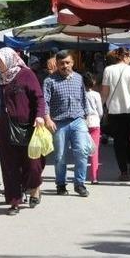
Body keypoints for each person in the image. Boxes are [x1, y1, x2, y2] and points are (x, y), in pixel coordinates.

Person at [0, 48, 46, 215]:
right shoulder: (1, 78)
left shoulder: (26, 74)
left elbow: (39, 97)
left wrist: (39, 116)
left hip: (28, 127)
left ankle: (35, 186)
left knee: (33, 164)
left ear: (9, 59)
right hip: (6, 128)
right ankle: (14, 201)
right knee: (10, 165)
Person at [43, 50, 91, 197]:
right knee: (60, 157)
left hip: (78, 120)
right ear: (57, 64)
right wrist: (47, 118)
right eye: (61, 63)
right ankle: (61, 184)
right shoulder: (49, 81)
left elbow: (83, 98)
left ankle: (79, 184)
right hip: (59, 123)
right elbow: (44, 101)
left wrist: (86, 116)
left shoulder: (78, 78)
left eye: (67, 62)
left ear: (72, 63)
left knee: (82, 151)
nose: (65, 66)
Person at [101, 47, 130, 181]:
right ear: (124, 56)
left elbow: (105, 92)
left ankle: (124, 171)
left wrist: (100, 109)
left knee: (119, 142)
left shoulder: (108, 70)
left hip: (115, 111)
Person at [84, 72, 103, 185]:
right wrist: (99, 118)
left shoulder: (81, 94)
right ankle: (94, 177)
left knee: (82, 150)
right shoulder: (96, 94)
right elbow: (100, 111)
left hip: (83, 121)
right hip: (95, 121)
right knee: (94, 151)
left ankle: (80, 175)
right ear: (94, 82)